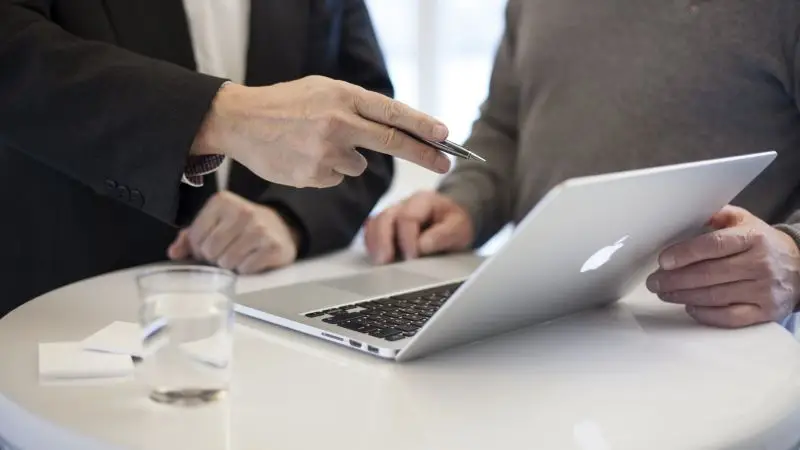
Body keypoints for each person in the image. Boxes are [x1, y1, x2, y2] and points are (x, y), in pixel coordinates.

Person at [364, 0, 800, 329]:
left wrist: (794, 256)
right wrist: (464, 205)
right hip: (537, 326)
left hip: (711, 345)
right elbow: (505, 126)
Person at [0, 0, 452, 316]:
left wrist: (289, 219)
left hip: (263, 327)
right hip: (58, 319)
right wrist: (217, 116)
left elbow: (364, 132)